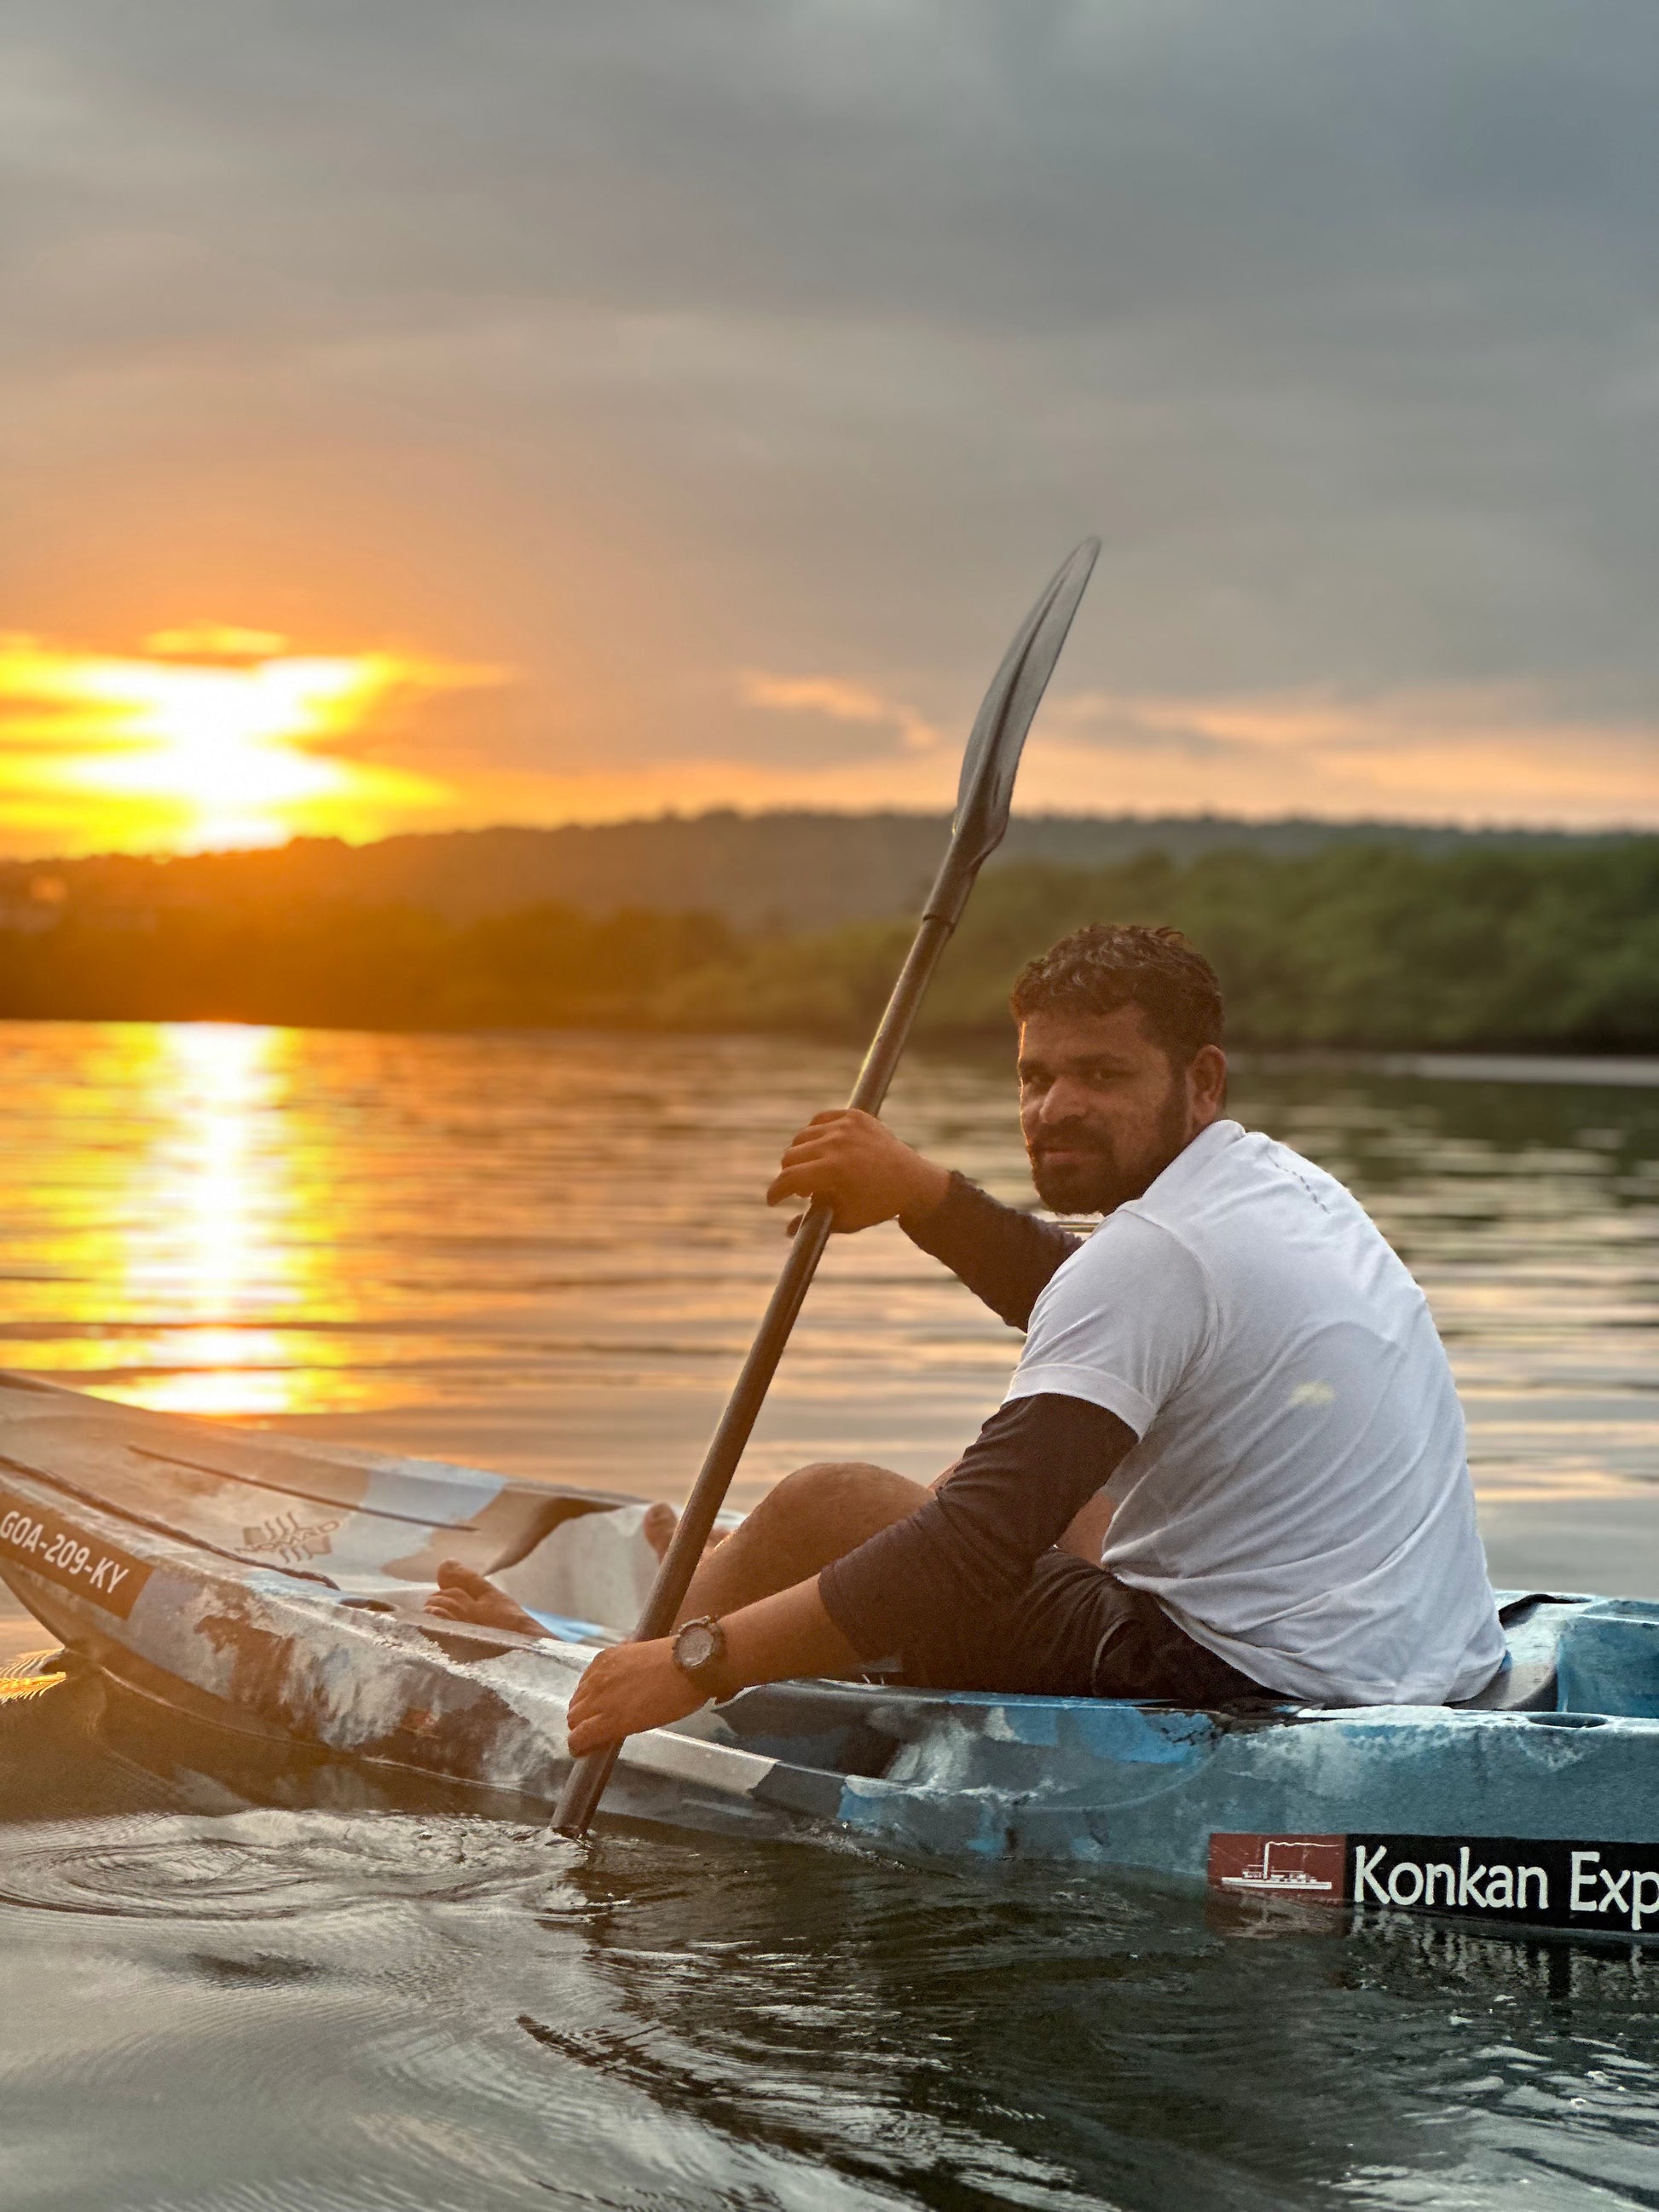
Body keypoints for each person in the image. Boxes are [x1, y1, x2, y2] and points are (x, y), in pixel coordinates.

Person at [427, 922, 1506, 1758]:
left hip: (1251, 1688)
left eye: (1102, 1075)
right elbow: (1089, 1306)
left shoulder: (1155, 1251)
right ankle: (721, 1582)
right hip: (1411, 1660)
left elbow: (976, 1545)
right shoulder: (1278, 1189)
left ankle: (608, 1663)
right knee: (1057, 1490)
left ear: (1201, 1080)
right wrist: (918, 1194)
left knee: (835, 1505)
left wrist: (702, 1663)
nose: (1054, 1108)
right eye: (1035, 1077)